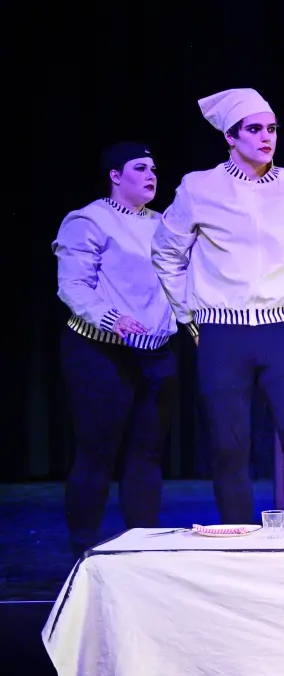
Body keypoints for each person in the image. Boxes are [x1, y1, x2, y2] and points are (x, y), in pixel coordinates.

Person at [151, 89, 284, 526]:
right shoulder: (199, 187)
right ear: (230, 137)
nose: (266, 137)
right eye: (254, 129)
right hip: (221, 332)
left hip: (280, 330)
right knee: (230, 445)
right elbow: (167, 253)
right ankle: (239, 536)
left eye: (271, 128)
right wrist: (190, 317)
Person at [53, 142, 180, 554]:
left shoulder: (164, 224)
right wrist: (112, 318)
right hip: (100, 351)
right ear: (115, 175)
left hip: (155, 353)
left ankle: (141, 545)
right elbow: (73, 285)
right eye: (140, 168)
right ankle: (83, 548)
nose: (151, 175)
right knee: (97, 451)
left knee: (147, 452)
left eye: (154, 169)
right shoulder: (89, 220)